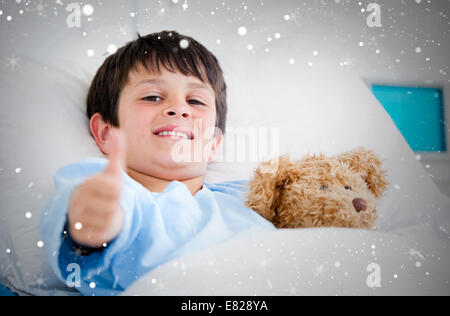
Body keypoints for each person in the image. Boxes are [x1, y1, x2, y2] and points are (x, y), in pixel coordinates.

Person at [40, 30, 275, 296]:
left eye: (195, 100)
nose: (178, 108)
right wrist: (91, 227)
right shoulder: (116, 191)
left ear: (213, 144)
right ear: (106, 133)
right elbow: (86, 221)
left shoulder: (252, 196)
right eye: (152, 97)